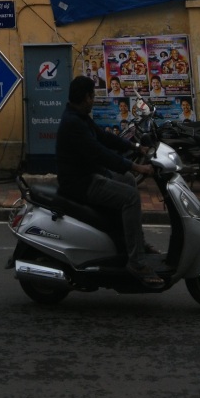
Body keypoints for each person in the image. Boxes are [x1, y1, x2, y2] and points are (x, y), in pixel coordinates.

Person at [56, 75, 163, 288]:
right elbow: (100, 153)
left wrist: (135, 148)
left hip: (91, 174)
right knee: (131, 197)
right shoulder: (73, 123)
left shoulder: (80, 117)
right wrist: (136, 166)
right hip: (80, 183)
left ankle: (135, 243)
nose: (94, 99)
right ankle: (136, 262)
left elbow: (104, 138)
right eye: (93, 95)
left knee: (128, 181)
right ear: (86, 97)